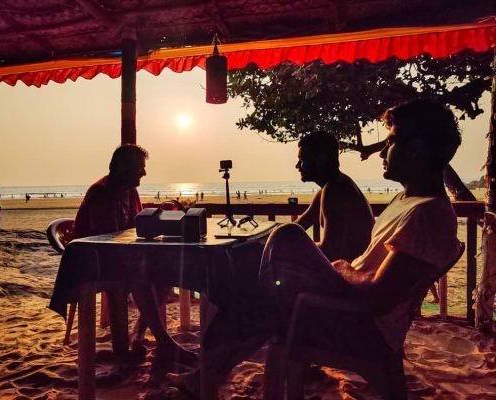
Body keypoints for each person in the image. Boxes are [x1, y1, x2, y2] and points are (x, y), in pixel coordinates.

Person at [172, 99, 462, 397]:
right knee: (246, 298)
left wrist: (342, 267)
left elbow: (377, 295)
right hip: (338, 304)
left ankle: (205, 375)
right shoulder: (405, 201)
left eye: (390, 141)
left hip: (354, 323)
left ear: (417, 149)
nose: (382, 153)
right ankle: (206, 370)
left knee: (277, 248)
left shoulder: (427, 214)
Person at [65, 144, 195, 365]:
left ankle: (139, 334)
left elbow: (136, 228)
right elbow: (108, 238)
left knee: (165, 276)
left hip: (118, 256)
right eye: (140, 168)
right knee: (139, 277)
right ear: (124, 168)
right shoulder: (101, 192)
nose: (144, 173)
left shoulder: (130, 192)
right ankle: (162, 343)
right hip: (90, 260)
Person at [293, 132, 374, 262]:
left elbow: (330, 251)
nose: (297, 166)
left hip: (352, 270)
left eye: (302, 160)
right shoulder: (329, 187)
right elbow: (297, 227)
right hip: (348, 266)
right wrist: (271, 238)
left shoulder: (335, 190)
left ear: (320, 159)